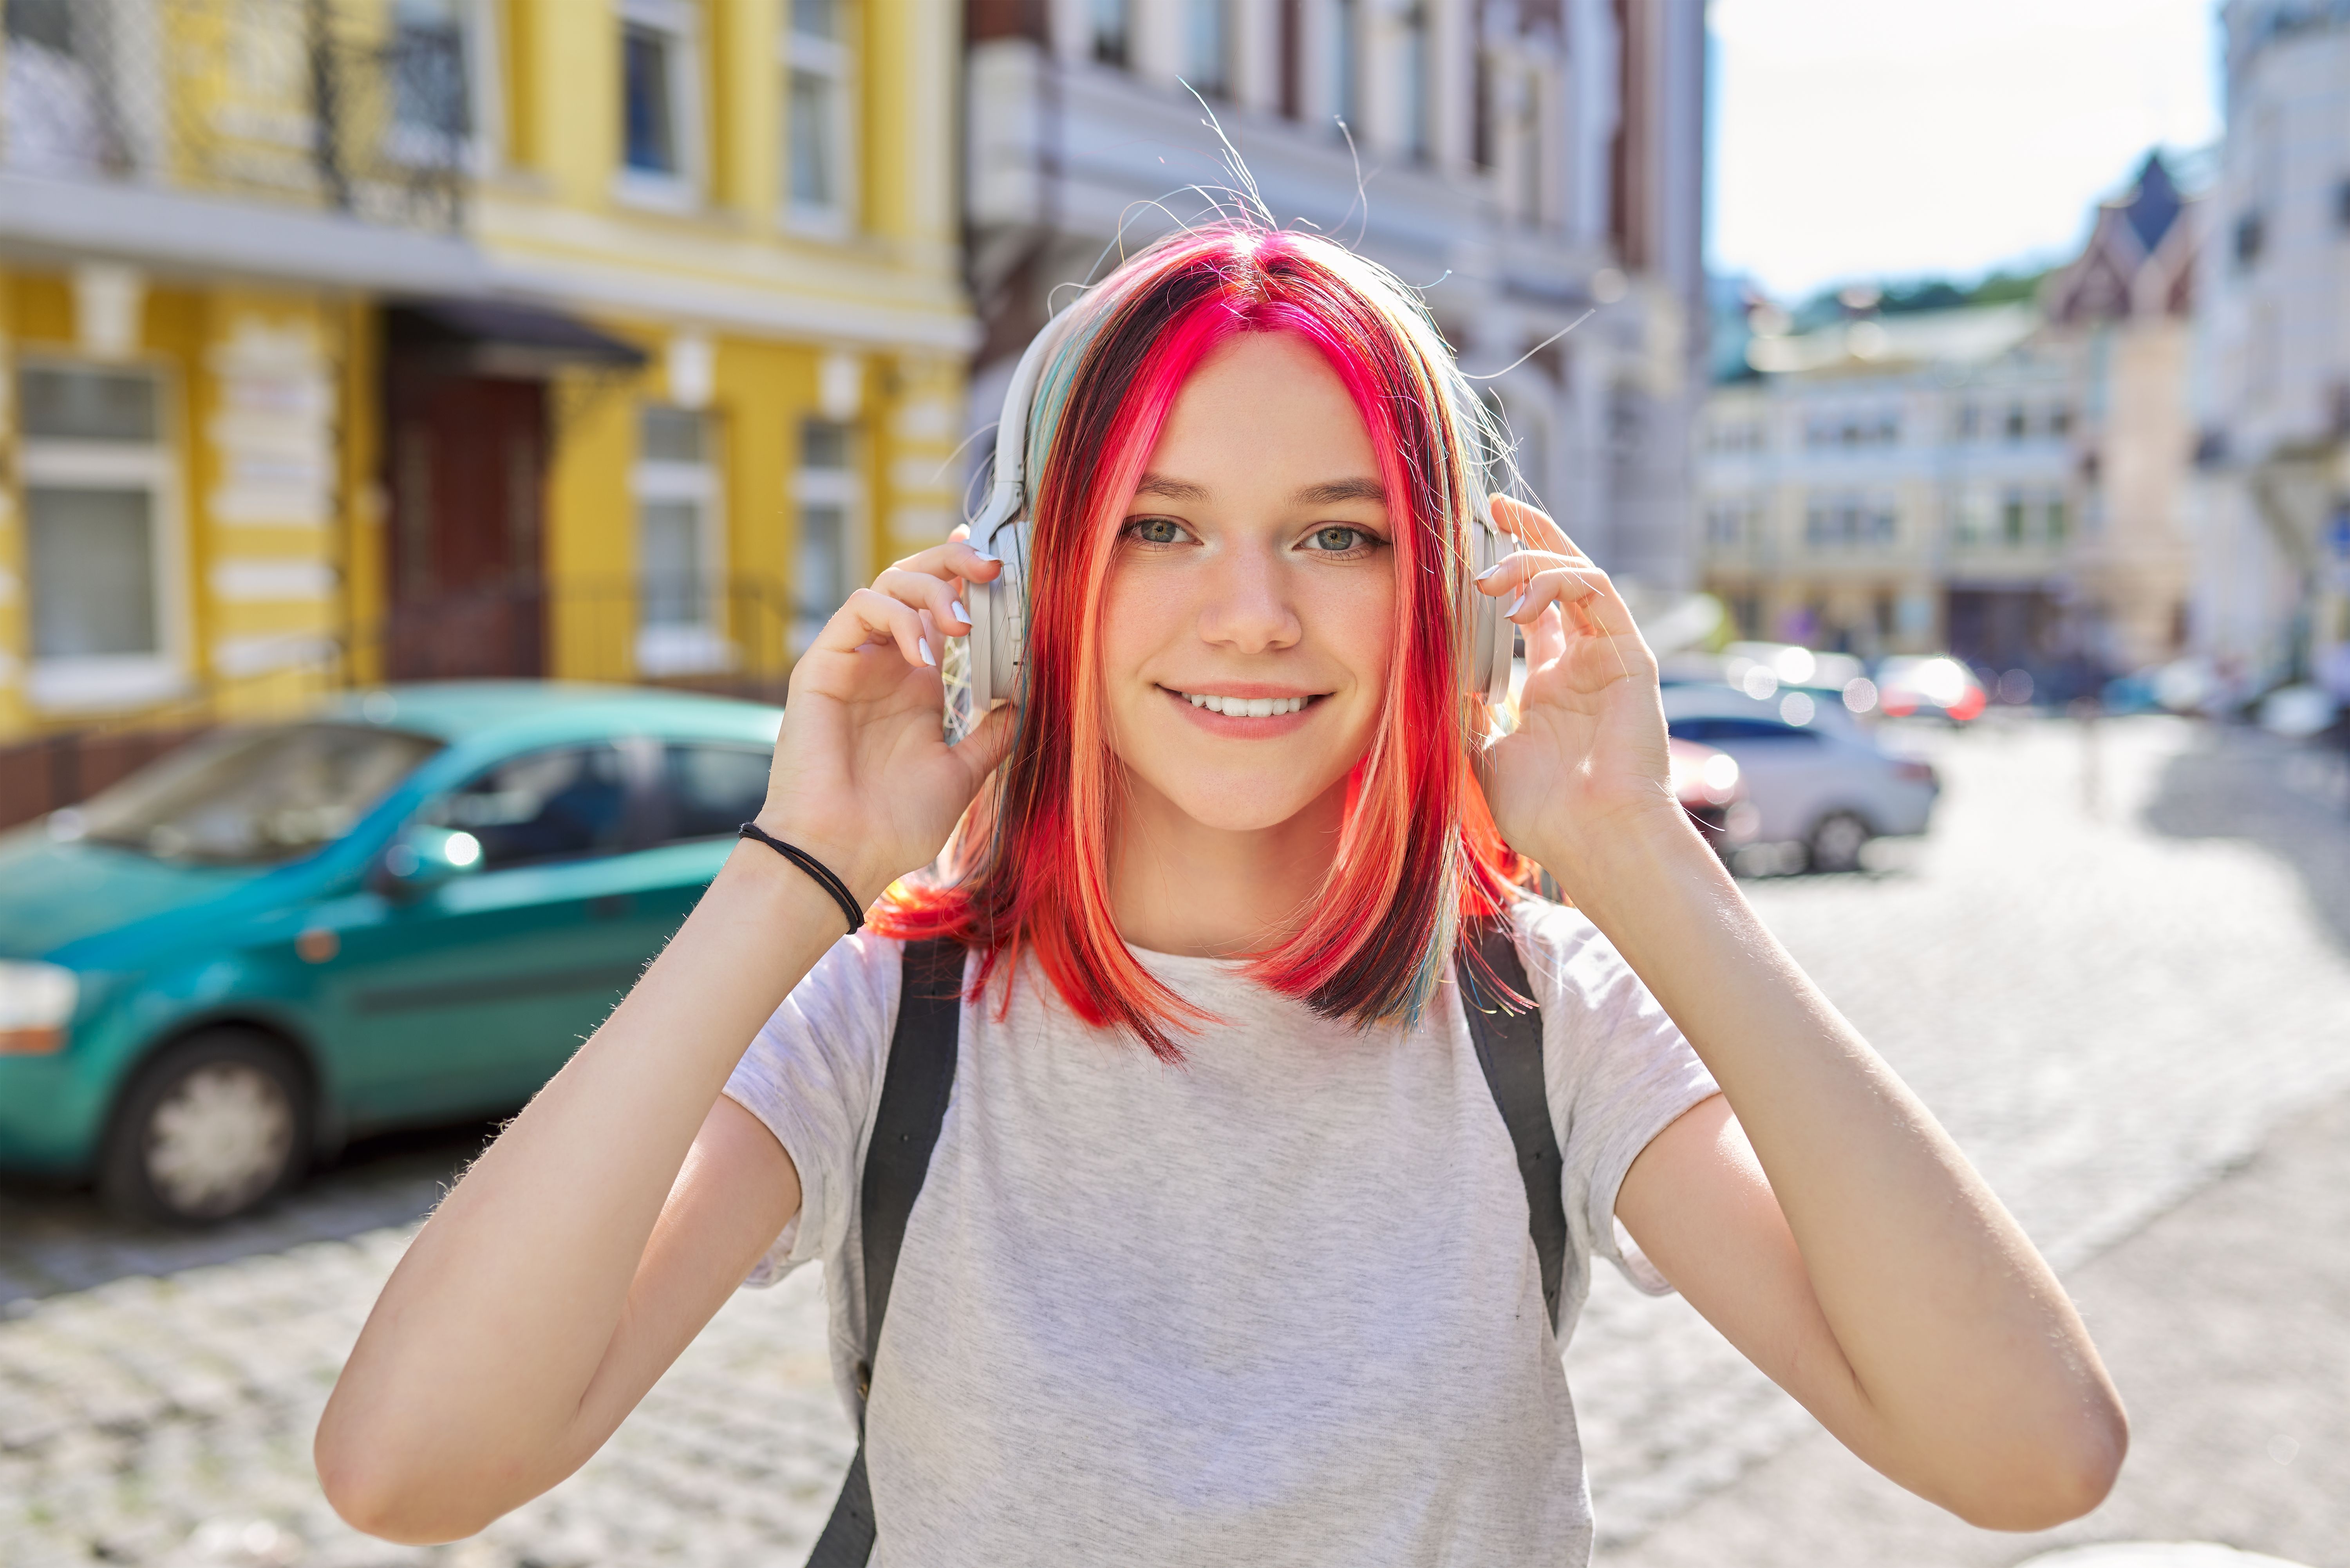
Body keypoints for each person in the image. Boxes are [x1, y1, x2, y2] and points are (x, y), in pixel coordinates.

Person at [315, 226, 2126, 1563]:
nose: (1251, 610)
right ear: (1040, 591)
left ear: (1445, 593)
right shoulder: (890, 1018)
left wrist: (1639, 850)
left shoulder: (1541, 1012)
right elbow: (411, 1465)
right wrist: (801, 872)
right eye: (1157, 526)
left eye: (1339, 533)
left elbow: (2029, 1451)